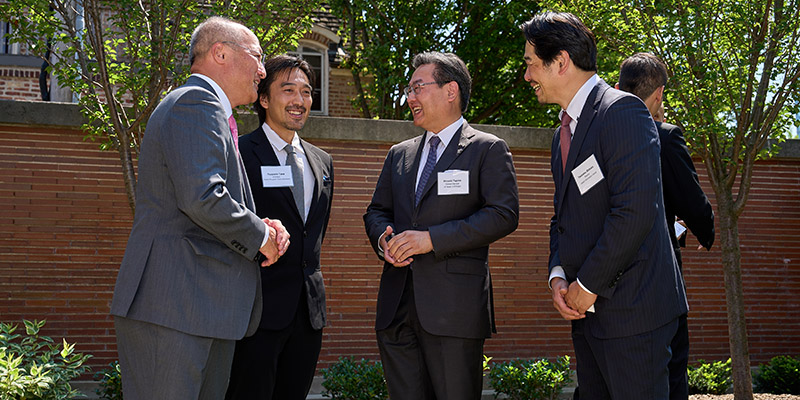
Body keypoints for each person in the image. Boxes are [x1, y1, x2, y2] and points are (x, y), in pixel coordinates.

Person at [110, 16, 289, 399]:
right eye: (257, 57)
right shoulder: (196, 103)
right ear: (219, 53)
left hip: (200, 309)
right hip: (175, 308)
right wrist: (261, 236)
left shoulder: (209, 111)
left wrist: (260, 225)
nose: (262, 70)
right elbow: (203, 197)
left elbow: (204, 196)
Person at [520, 12, 687, 400]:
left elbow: (634, 211)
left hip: (634, 315)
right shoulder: (562, 131)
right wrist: (558, 275)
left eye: (530, 63)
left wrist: (587, 285)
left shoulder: (622, 112)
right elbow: (562, 218)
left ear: (560, 61)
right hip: (589, 316)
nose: (527, 75)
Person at [363, 51, 519, 400]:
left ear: (451, 91)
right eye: (409, 88)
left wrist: (431, 239)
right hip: (397, 309)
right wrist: (384, 239)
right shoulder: (398, 154)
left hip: (455, 311)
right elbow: (376, 211)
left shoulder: (486, 149)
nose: (410, 97)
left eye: (418, 87)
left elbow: (503, 214)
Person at [225, 55, 334, 400]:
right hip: (255, 311)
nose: (299, 101)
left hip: (308, 313)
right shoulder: (239, 152)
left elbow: (312, 235)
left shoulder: (322, 161)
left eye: (306, 91)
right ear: (264, 98)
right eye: (288, 90)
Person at [617, 52, 715, 400]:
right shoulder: (664, 136)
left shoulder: (595, 136)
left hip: (604, 279)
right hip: (658, 280)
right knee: (670, 370)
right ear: (658, 94)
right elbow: (693, 202)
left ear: (618, 87)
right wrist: (706, 231)